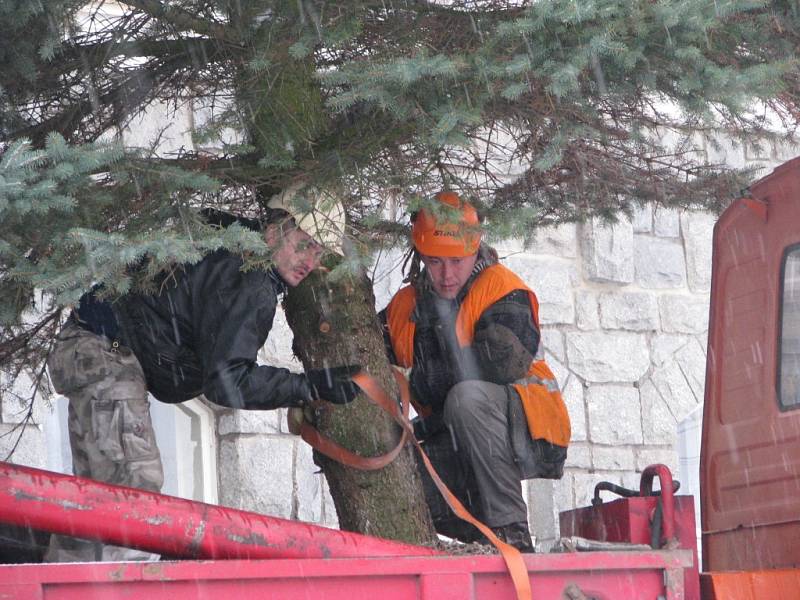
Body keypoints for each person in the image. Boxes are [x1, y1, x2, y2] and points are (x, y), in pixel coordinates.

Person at [45, 190, 360, 562]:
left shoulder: (235, 249)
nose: (310, 260)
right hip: (105, 352)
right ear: (275, 232)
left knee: (98, 502)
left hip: (91, 345)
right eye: (305, 244)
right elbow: (228, 381)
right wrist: (307, 387)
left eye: (319, 252)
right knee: (133, 489)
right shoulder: (252, 280)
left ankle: (54, 583)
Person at [379, 191, 571, 552]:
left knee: (467, 398)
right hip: (455, 436)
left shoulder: (503, 290)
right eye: (435, 263)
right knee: (398, 469)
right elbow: (367, 361)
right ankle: (480, 539)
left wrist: (418, 381)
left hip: (527, 427)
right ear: (421, 257)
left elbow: (499, 362)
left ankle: (512, 534)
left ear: (476, 251)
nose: (447, 275)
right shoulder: (402, 309)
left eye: (457, 261)